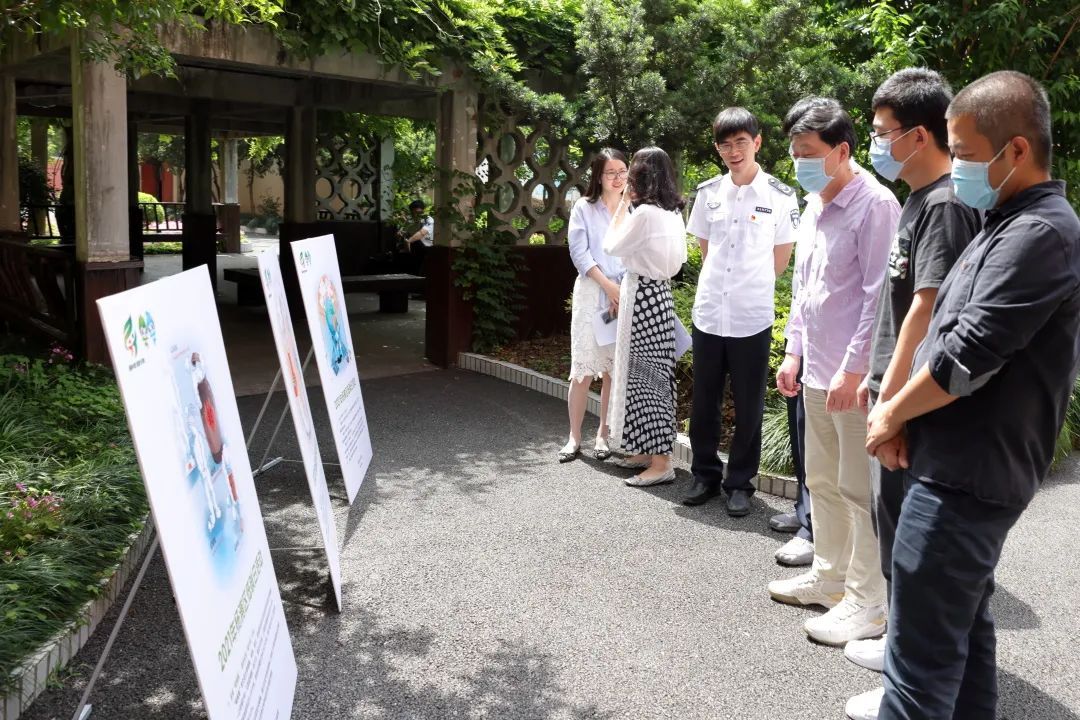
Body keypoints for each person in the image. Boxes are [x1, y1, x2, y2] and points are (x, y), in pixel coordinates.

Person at [864, 70, 1080, 720]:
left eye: (961, 152)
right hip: (951, 467)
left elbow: (964, 358)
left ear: (1016, 150)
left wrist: (890, 413)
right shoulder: (1001, 220)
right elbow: (944, 332)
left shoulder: (1040, 234)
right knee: (963, 650)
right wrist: (902, 419)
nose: (954, 165)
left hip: (964, 480)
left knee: (915, 679)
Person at [842, 68, 981, 720]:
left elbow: (926, 311)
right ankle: (902, 645)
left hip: (911, 406)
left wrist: (891, 405)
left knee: (917, 551)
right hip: (894, 396)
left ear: (919, 135)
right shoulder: (920, 199)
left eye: (882, 133)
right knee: (897, 536)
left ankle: (911, 679)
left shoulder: (946, 205)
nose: (877, 143)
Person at [769, 99, 900, 648]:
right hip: (816, 371)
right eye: (794, 152)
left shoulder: (876, 205)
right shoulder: (814, 203)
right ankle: (830, 579)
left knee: (857, 490)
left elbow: (878, 297)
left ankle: (869, 602)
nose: (798, 162)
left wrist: (855, 368)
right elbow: (804, 289)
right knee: (820, 480)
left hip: (853, 379)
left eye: (808, 153)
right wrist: (793, 351)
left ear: (842, 150)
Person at [681, 107, 799, 516]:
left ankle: (740, 484)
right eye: (725, 145)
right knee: (704, 402)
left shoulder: (780, 197)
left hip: (752, 316)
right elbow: (706, 252)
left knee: (749, 405)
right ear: (718, 148)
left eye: (741, 143)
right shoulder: (708, 193)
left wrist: (746, 287)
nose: (733, 151)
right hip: (710, 314)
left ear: (757, 142)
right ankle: (704, 475)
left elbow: (780, 262)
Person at [604, 146, 688, 487]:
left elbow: (610, 246)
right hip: (660, 295)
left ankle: (661, 462)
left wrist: (623, 204)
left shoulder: (645, 214)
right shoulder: (673, 213)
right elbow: (680, 262)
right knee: (651, 375)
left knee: (646, 379)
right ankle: (646, 452)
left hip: (641, 294)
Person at [558, 148, 629, 462]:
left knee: (612, 369)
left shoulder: (633, 208)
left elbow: (635, 253)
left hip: (623, 293)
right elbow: (579, 253)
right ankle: (574, 436)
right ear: (598, 176)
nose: (618, 178)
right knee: (583, 369)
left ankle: (603, 433)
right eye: (611, 172)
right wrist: (608, 286)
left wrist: (621, 290)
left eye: (622, 171)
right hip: (592, 291)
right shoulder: (583, 207)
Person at [401, 198, 434, 276]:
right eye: (414, 213)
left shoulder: (428, 220)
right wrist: (402, 234)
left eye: (419, 213)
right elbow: (405, 233)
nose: (416, 215)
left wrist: (409, 240)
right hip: (413, 249)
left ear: (423, 211)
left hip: (427, 249)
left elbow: (422, 233)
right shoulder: (410, 221)